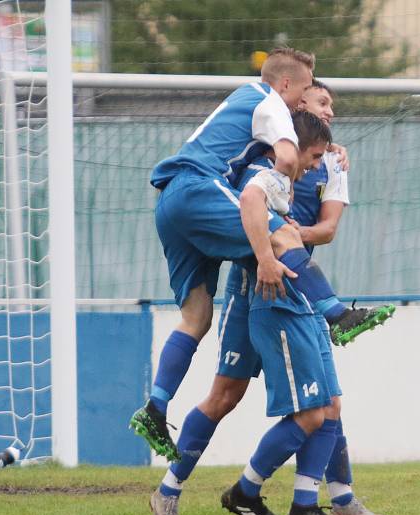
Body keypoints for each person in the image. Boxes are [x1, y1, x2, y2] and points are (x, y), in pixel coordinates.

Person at [130, 49, 394, 462]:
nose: (309, 98)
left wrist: (324, 146)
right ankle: (337, 315)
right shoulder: (268, 101)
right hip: (198, 187)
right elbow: (288, 156)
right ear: (287, 85)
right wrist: (285, 181)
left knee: (196, 317)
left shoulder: (246, 103)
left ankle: (156, 406)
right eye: (309, 90)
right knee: (283, 234)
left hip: (170, 202)